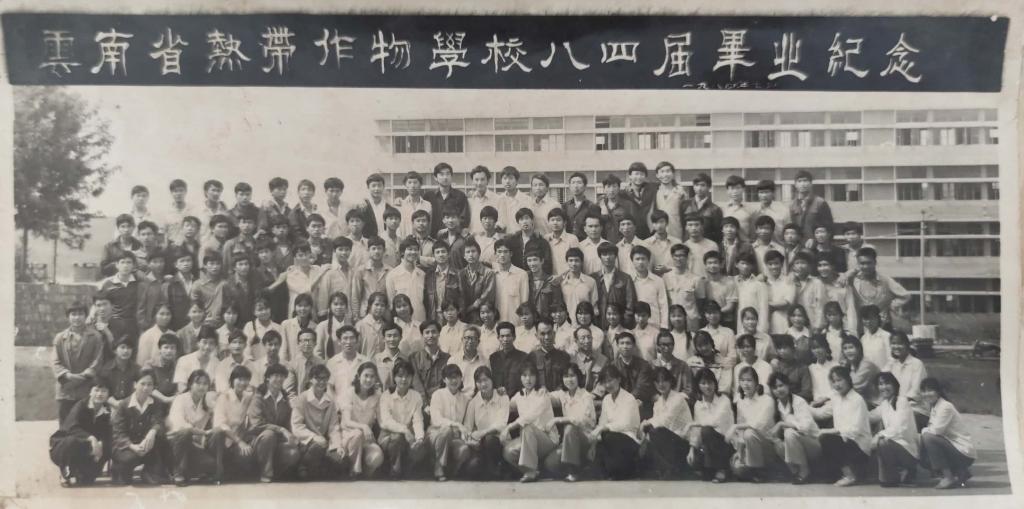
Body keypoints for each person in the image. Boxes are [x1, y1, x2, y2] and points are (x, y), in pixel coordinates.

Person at [110, 367, 172, 485]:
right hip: (126, 446)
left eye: (149, 384)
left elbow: (158, 421)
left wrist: (152, 431)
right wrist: (132, 446)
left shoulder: (156, 403)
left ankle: (149, 471)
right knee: (128, 464)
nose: (145, 388)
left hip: (145, 444)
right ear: (135, 384)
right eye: (142, 384)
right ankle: (118, 470)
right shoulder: (123, 405)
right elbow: (118, 433)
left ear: (153, 387)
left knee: (162, 441)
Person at [49, 378, 113, 487]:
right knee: (71, 441)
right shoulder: (81, 405)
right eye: (96, 390)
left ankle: (81, 471)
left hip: (89, 449)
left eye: (104, 391)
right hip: (65, 447)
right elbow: (71, 428)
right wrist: (91, 438)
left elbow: (108, 432)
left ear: (108, 394)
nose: (99, 394)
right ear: (90, 392)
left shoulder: (107, 410)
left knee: (87, 481)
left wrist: (102, 444)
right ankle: (65, 472)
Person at [501, 363, 558, 483]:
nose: (528, 379)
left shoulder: (542, 394)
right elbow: (506, 407)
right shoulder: (519, 396)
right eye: (524, 375)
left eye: (531, 375)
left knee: (527, 427)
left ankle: (530, 471)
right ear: (520, 378)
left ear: (536, 377)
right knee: (508, 451)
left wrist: (510, 427)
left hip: (547, 438)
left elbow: (530, 416)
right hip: (528, 440)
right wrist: (499, 393)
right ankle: (535, 470)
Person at [816, 366, 872, 487]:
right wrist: (802, 406)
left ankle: (850, 476)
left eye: (839, 380)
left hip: (860, 446)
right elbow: (821, 413)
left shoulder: (857, 399)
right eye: (834, 381)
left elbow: (854, 431)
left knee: (827, 438)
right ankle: (838, 474)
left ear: (848, 379)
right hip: (845, 441)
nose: (837, 384)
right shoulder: (837, 398)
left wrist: (831, 431)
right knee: (824, 438)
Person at [290, 364, 346, 480]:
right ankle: (303, 466)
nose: (322, 382)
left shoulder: (330, 401)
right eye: (318, 378)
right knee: (317, 449)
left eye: (325, 378)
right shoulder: (302, 399)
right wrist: (314, 437)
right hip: (306, 443)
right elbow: (297, 426)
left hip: (324, 443)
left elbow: (334, 427)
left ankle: (317, 468)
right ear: (311, 379)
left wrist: (337, 445)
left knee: (342, 461)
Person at [919, 377, 976, 489]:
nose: (926, 394)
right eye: (924, 391)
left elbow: (936, 431)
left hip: (963, 452)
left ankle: (948, 477)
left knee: (928, 438)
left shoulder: (945, 406)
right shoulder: (935, 406)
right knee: (924, 447)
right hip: (954, 448)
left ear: (938, 391)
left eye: (930, 390)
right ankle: (961, 472)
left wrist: (923, 431)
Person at [52, 303, 106, 422]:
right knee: (65, 425)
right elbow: (55, 362)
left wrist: (85, 374)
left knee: (84, 424)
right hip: (66, 388)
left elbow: (98, 360)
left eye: (80, 314)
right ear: (68, 317)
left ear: (86, 316)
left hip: (86, 387)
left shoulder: (95, 337)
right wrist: (67, 375)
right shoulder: (60, 338)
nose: (77, 317)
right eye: (73, 314)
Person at [378, 359, 430, 479]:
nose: (404, 379)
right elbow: (386, 421)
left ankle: (407, 468)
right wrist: (404, 430)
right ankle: (394, 470)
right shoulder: (386, 395)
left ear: (412, 378)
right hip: (388, 436)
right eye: (400, 376)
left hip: (408, 436)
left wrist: (419, 438)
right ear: (394, 378)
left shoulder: (416, 396)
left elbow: (418, 420)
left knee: (421, 446)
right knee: (397, 437)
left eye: (407, 376)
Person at [767, 372, 820, 484]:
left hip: (812, 444)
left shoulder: (799, 401)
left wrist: (782, 424)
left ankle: (805, 471)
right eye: (775, 387)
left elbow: (805, 427)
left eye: (781, 385)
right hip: (796, 446)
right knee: (776, 442)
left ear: (788, 385)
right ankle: (795, 471)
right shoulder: (776, 405)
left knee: (789, 433)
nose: (778, 390)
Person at [545, 364, 596, 482]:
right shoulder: (563, 394)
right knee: (550, 464)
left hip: (586, 438)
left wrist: (558, 419)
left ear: (578, 377)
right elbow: (546, 396)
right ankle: (582, 467)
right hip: (570, 440)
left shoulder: (586, 396)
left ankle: (573, 471)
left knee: (570, 428)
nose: (569, 379)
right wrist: (542, 390)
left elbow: (581, 419)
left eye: (572, 376)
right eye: (566, 376)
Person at [590, 365, 642, 480]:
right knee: (595, 466)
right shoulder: (606, 399)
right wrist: (594, 443)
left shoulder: (629, 398)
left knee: (608, 436)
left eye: (610, 380)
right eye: (604, 382)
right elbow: (602, 422)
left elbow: (625, 424)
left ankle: (624, 469)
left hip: (629, 441)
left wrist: (603, 428)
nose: (608, 385)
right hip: (610, 439)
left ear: (619, 379)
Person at [640, 366, 693, 480]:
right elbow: (655, 422)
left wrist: (646, 423)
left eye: (664, 380)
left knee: (656, 431)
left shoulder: (678, 398)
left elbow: (665, 421)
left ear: (670, 381)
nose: (661, 384)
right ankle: (668, 469)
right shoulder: (658, 402)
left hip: (683, 443)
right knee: (651, 434)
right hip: (669, 442)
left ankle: (674, 468)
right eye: (657, 381)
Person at [166, 369, 217, 486]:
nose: (202, 387)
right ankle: (177, 473)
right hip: (173, 443)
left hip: (192, 444)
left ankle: (186, 471)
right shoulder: (180, 399)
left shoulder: (207, 404)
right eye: (198, 383)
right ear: (190, 385)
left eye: (205, 384)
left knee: (211, 464)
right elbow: (180, 425)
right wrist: (202, 433)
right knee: (185, 432)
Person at [870, 372, 921, 487]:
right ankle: (890, 477)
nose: (883, 387)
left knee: (883, 442)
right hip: (895, 446)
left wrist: (878, 436)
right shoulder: (885, 404)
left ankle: (906, 472)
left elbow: (899, 428)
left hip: (908, 450)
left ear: (894, 385)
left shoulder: (902, 402)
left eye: (887, 383)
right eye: (880, 384)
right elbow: (870, 417)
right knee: (882, 442)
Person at [728, 367, 777, 482]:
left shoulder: (767, 400)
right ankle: (751, 468)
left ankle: (758, 470)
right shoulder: (741, 402)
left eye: (749, 380)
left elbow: (758, 424)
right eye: (742, 380)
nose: (746, 384)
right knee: (738, 468)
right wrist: (739, 451)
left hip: (768, 445)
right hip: (749, 446)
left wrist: (736, 426)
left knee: (749, 433)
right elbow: (740, 431)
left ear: (756, 382)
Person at [338, 362, 385, 478]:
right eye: (366, 375)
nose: (369, 380)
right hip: (349, 437)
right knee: (358, 434)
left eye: (372, 376)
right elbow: (347, 421)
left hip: (367, 439)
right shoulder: (349, 393)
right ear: (359, 376)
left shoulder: (377, 395)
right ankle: (353, 469)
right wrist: (364, 426)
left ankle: (364, 472)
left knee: (377, 457)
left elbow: (382, 420)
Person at [846, 247, 911, 330]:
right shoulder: (854, 281)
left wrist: (891, 305)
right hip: (861, 325)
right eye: (862, 263)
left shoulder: (885, 280)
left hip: (882, 324)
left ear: (875, 262)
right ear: (858, 264)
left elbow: (905, 295)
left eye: (869, 263)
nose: (866, 266)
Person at [687, 368, 734, 483]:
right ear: (698, 386)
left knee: (707, 430)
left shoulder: (724, 400)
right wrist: (691, 450)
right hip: (707, 444)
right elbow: (697, 431)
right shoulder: (698, 404)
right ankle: (711, 468)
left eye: (710, 382)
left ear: (715, 383)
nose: (707, 386)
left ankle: (721, 469)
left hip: (725, 444)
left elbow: (714, 422)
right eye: (703, 383)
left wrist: (693, 424)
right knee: (694, 461)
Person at [211, 366, 257, 483]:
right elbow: (221, 424)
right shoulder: (223, 397)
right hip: (222, 441)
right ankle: (218, 471)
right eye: (239, 379)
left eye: (246, 380)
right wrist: (239, 441)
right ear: (232, 381)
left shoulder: (248, 397)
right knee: (219, 432)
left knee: (247, 457)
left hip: (239, 440)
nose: (243, 383)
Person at [429, 364, 472, 481]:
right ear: (444, 379)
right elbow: (436, 419)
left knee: (464, 450)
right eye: (450, 377)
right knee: (446, 430)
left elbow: (466, 424)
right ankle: (438, 466)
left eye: (456, 377)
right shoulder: (438, 395)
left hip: (455, 436)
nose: (454, 380)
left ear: (461, 378)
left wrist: (465, 436)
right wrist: (456, 424)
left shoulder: (466, 399)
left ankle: (453, 470)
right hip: (436, 433)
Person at [884, 332, 929, 430]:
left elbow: (915, 392)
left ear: (907, 345)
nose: (896, 346)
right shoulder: (891, 364)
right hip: (895, 407)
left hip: (916, 409)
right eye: (893, 343)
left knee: (897, 421)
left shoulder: (917, 364)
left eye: (900, 343)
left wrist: (898, 404)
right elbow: (883, 383)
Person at [386, 238, 428, 322]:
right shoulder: (392, 275)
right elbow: (391, 303)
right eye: (410, 249)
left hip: (421, 320)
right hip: (401, 322)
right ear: (402, 252)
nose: (413, 252)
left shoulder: (422, 274)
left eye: (415, 249)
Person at [424, 163, 470, 237]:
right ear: (435, 177)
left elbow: (464, 219)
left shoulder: (460, 196)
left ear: (451, 176)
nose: (445, 177)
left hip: (454, 238)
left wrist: (449, 230)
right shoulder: (429, 196)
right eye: (441, 174)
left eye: (448, 174)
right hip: (432, 238)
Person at [409, 321, 451, 402]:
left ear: (439, 334)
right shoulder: (414, 358)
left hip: (442, 402)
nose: (430, 335)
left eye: (434, 332)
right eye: (427, 332)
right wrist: (424, 403)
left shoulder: (447, 358)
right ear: (422, 335)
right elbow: (416, 383)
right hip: (420, 403)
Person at [173, 326, 221, 394]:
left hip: (208, 398)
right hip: (186, 397)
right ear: (198, 343)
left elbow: (218, 387)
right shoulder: (184, 360)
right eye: (204, 342)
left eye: (211, 343)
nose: (207, 347)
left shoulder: (217, 363)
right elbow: (181, 387)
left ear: (215, 346)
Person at [458, 238, 496, 325]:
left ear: (479, 253)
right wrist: (462, 311)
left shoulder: (488, 273)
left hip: (483, 315)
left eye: (473, 251)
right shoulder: (461, 273)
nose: (471, 254)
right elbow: (460, 295)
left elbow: (487, 296)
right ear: (464, 256)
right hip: (464, 315)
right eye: (468, 252)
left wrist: (471, 307)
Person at [790, 170, 833, 244]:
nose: (803, 184)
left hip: (817, 244)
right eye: (799, 181)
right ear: (795, 185)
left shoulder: (820, 202)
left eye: (805, 181)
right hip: (798, 244)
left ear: (811, 183)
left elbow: (829, 227)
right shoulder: (792, 205)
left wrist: (815, 240)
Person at [448, 326, 489, 397]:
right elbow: (449, 385)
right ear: (462, 340)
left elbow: (487, 385)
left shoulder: (485, 362)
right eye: (467, 338)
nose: (470, 341)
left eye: (473, 338)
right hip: (457, 398)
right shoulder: (453, 360)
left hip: (479, 398)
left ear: (478, 342)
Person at [285, 328, 325, 399]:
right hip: (297, 402)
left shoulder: (322, 364)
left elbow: (325, 389)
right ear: (298, 343)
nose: (307, 344)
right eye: (303, 341)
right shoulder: (291, 365)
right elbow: (289, 391)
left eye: (310, 340)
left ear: (315, 343)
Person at [620, 162, 657, 239]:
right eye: (636, 174)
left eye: (642, 174)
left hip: (649, 232)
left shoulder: (652, 189)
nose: (639, 177)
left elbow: (666, 185)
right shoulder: (624, 194)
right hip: (631, 232)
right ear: (630, 176)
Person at [839, 336, 880, 403]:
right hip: (863, 402)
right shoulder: (852, 365)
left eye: (851, 347)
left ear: (859, 349)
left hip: (876, 403)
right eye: (845, 348)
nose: (848, 351)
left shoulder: (867, 364)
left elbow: (852, 387)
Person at [562, 171, 601, 241]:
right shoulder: (565, 206)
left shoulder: (592, 206)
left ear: (585, 186)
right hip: (568, 242)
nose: (576, 186)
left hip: (586, 242)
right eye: (573, 183)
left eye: (579, 183)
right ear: (569, 186)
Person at [498, 166, 533, 234]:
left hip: (521, 237)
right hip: (503, 237)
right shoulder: (499, 199)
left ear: (517, 181)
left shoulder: (527, 200)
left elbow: (531, 223)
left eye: (511, 178)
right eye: (505, 178)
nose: (507, 181)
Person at [860, 304, 892, 368]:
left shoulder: (887, 336)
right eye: (866, 319)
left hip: (884, 372)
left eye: (871, 318)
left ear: (878, 318)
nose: (868, 321)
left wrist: (883, 372)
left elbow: (891, 359)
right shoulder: (863, 339)